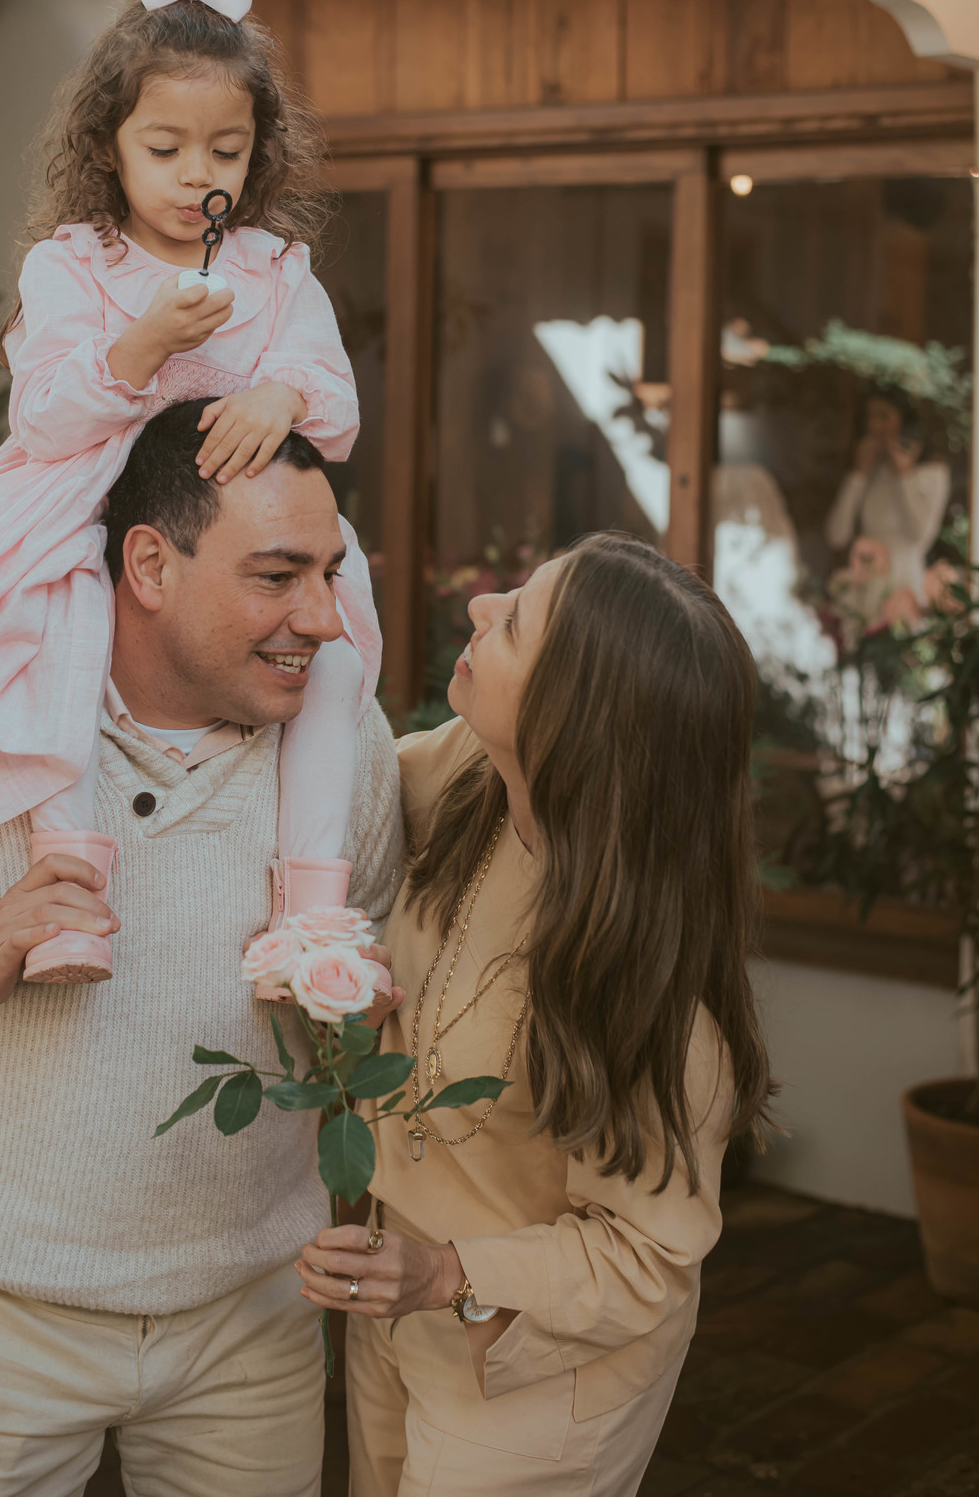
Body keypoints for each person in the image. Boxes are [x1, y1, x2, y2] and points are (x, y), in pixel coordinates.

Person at [0, 403, 402, 1496]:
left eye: (330, 573)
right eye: (277, 576)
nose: (323, 618)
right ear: (150, 565)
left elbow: (380, 937)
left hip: (253, 1319)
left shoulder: (348, 743)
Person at [0, 0, 380, 984]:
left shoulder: (273, 270)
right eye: (166, 148)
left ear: (256, 155)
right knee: (62, 620)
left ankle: (313, 908)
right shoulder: (73, 265)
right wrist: (143, 345)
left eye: (226, 151)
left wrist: (280, 395)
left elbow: (333, 398)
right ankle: (69, 886)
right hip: (84, 500)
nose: (199, 175)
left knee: (336, 649)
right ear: (109, 147)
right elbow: (44, 415)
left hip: (229, 531)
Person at [297, 533, 774, 1496]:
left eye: (514, 622)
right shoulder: (471, 775)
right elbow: (328, 787)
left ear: (572, 722)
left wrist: (444, 1273)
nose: (480, 606)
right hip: (395, 1301)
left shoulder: (659, 1003)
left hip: (538, 1366)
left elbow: (645, 1260)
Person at [824, 388, 950, 622]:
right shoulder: (871, 472)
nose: (873, 425)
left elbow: (921, 537)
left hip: (904, 587)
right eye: (869, 417)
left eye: (883, 416)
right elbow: (836, 536)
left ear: (905, 421)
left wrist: (904, 476)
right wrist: (858, 475)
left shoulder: (932, 474)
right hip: (865, 587)